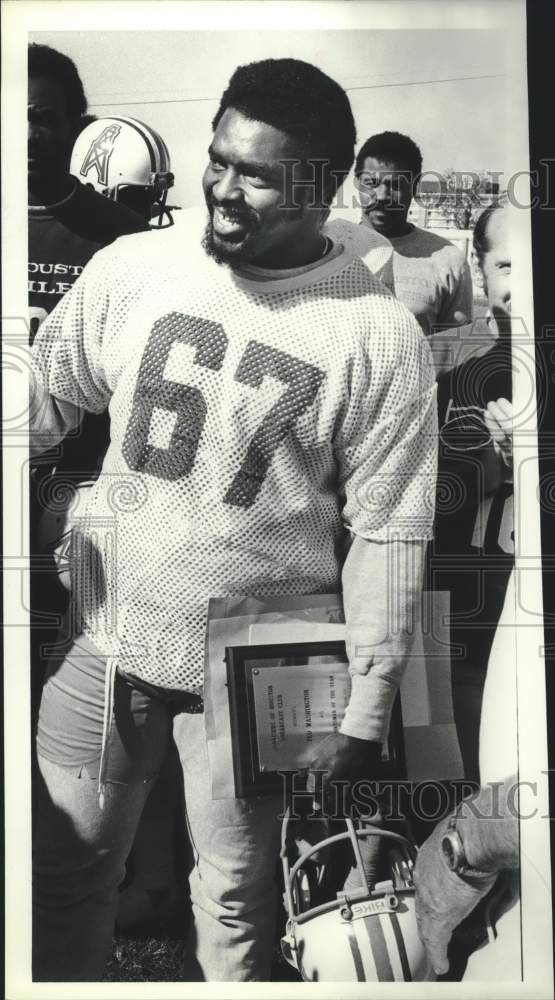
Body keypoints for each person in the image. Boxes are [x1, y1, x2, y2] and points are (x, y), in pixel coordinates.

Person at [29, 57, 438, 982]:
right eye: (219, 160)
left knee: (237, 905)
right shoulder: (134, 266)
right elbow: (45, 396)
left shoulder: (376, 335)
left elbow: (389, 530)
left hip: (266, 651)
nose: (223, 190)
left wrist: (368, 706)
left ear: (320, 186)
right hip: (109, 624)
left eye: (256, 175)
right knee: (63, 874)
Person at [28, 43, 150, 729]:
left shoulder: (125, 244)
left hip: (79, 486)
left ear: (80, 125)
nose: (25, 133)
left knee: (69, 656)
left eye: (43, 118)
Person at [430, 202, 513, 781]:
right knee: (472, 789)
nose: (523, 280)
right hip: (466, 619)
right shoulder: (448, 368)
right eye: (507, 264)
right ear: (480, 271)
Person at [354, 131, 473, 337]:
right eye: (371, 183)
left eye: (396, 185)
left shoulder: (447, 260)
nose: (382, 196)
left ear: (415, 187)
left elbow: (455, 357)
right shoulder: (326, 249)